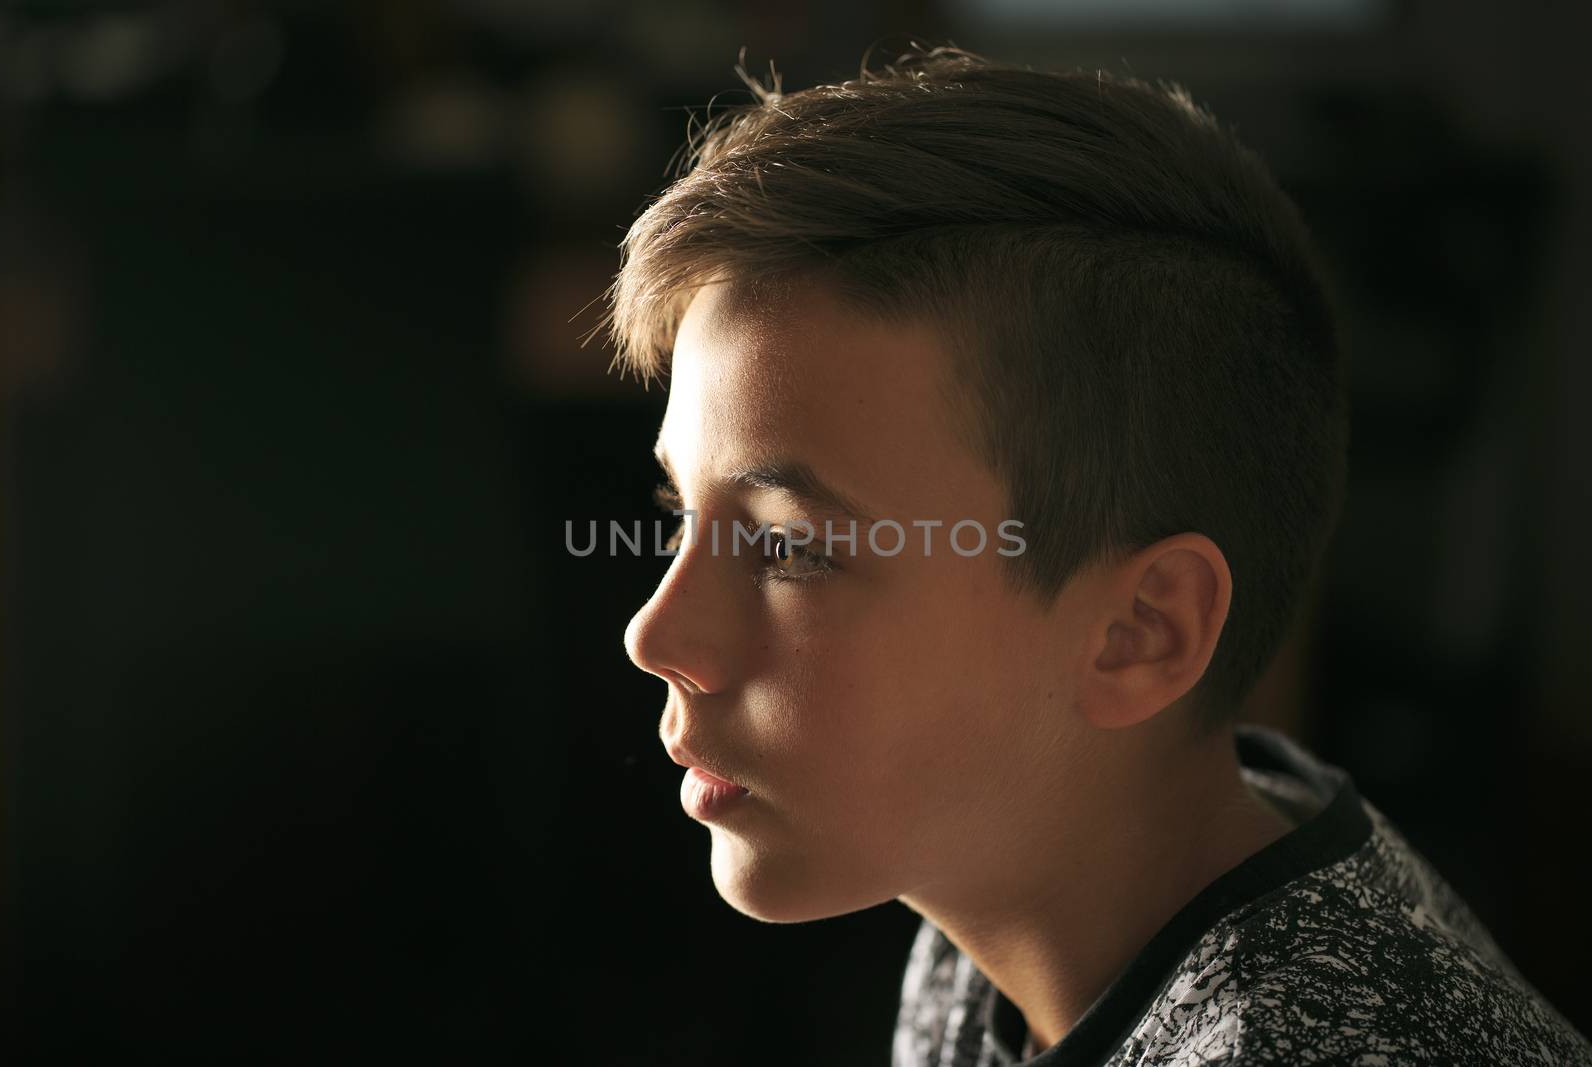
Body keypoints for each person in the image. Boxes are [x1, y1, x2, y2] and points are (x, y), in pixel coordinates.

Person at [603, 44, 1592, 1066]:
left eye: (787, 547)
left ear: (1139, 630)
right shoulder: (996, 899)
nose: (655, 632)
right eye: (680, 508)